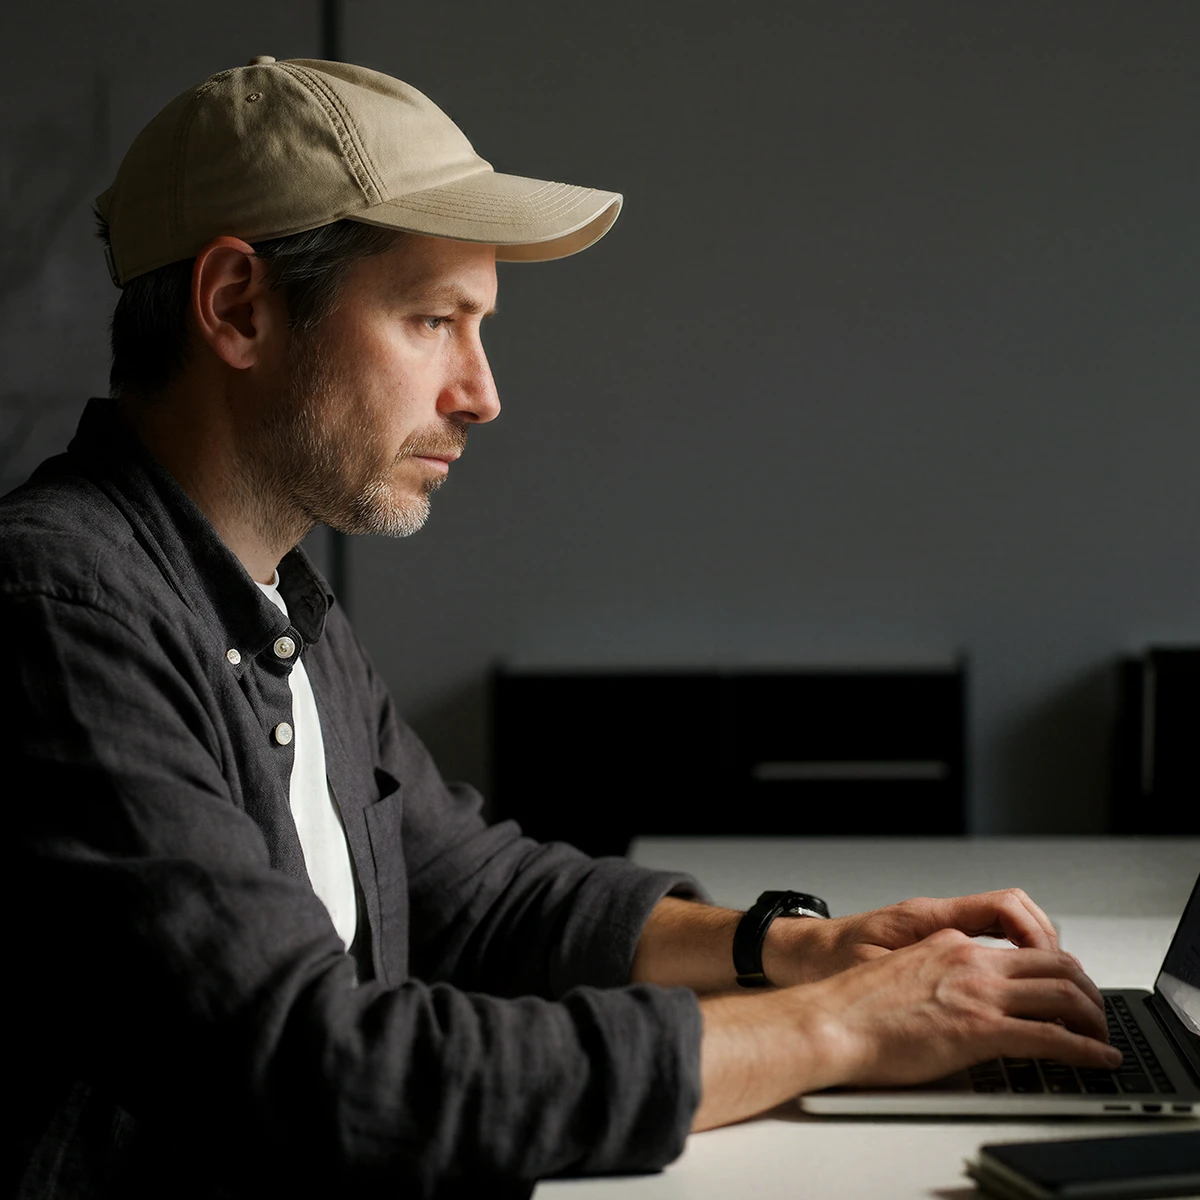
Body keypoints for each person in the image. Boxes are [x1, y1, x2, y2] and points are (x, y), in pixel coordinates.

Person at [3, 56, 1122, 1200]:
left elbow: (480, 894)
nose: (481, 393)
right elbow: (324, 1070)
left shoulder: (273, 600)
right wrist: (835, 1030)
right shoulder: (61, 614)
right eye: (434, 319)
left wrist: (795, 951)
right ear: (238, 307)